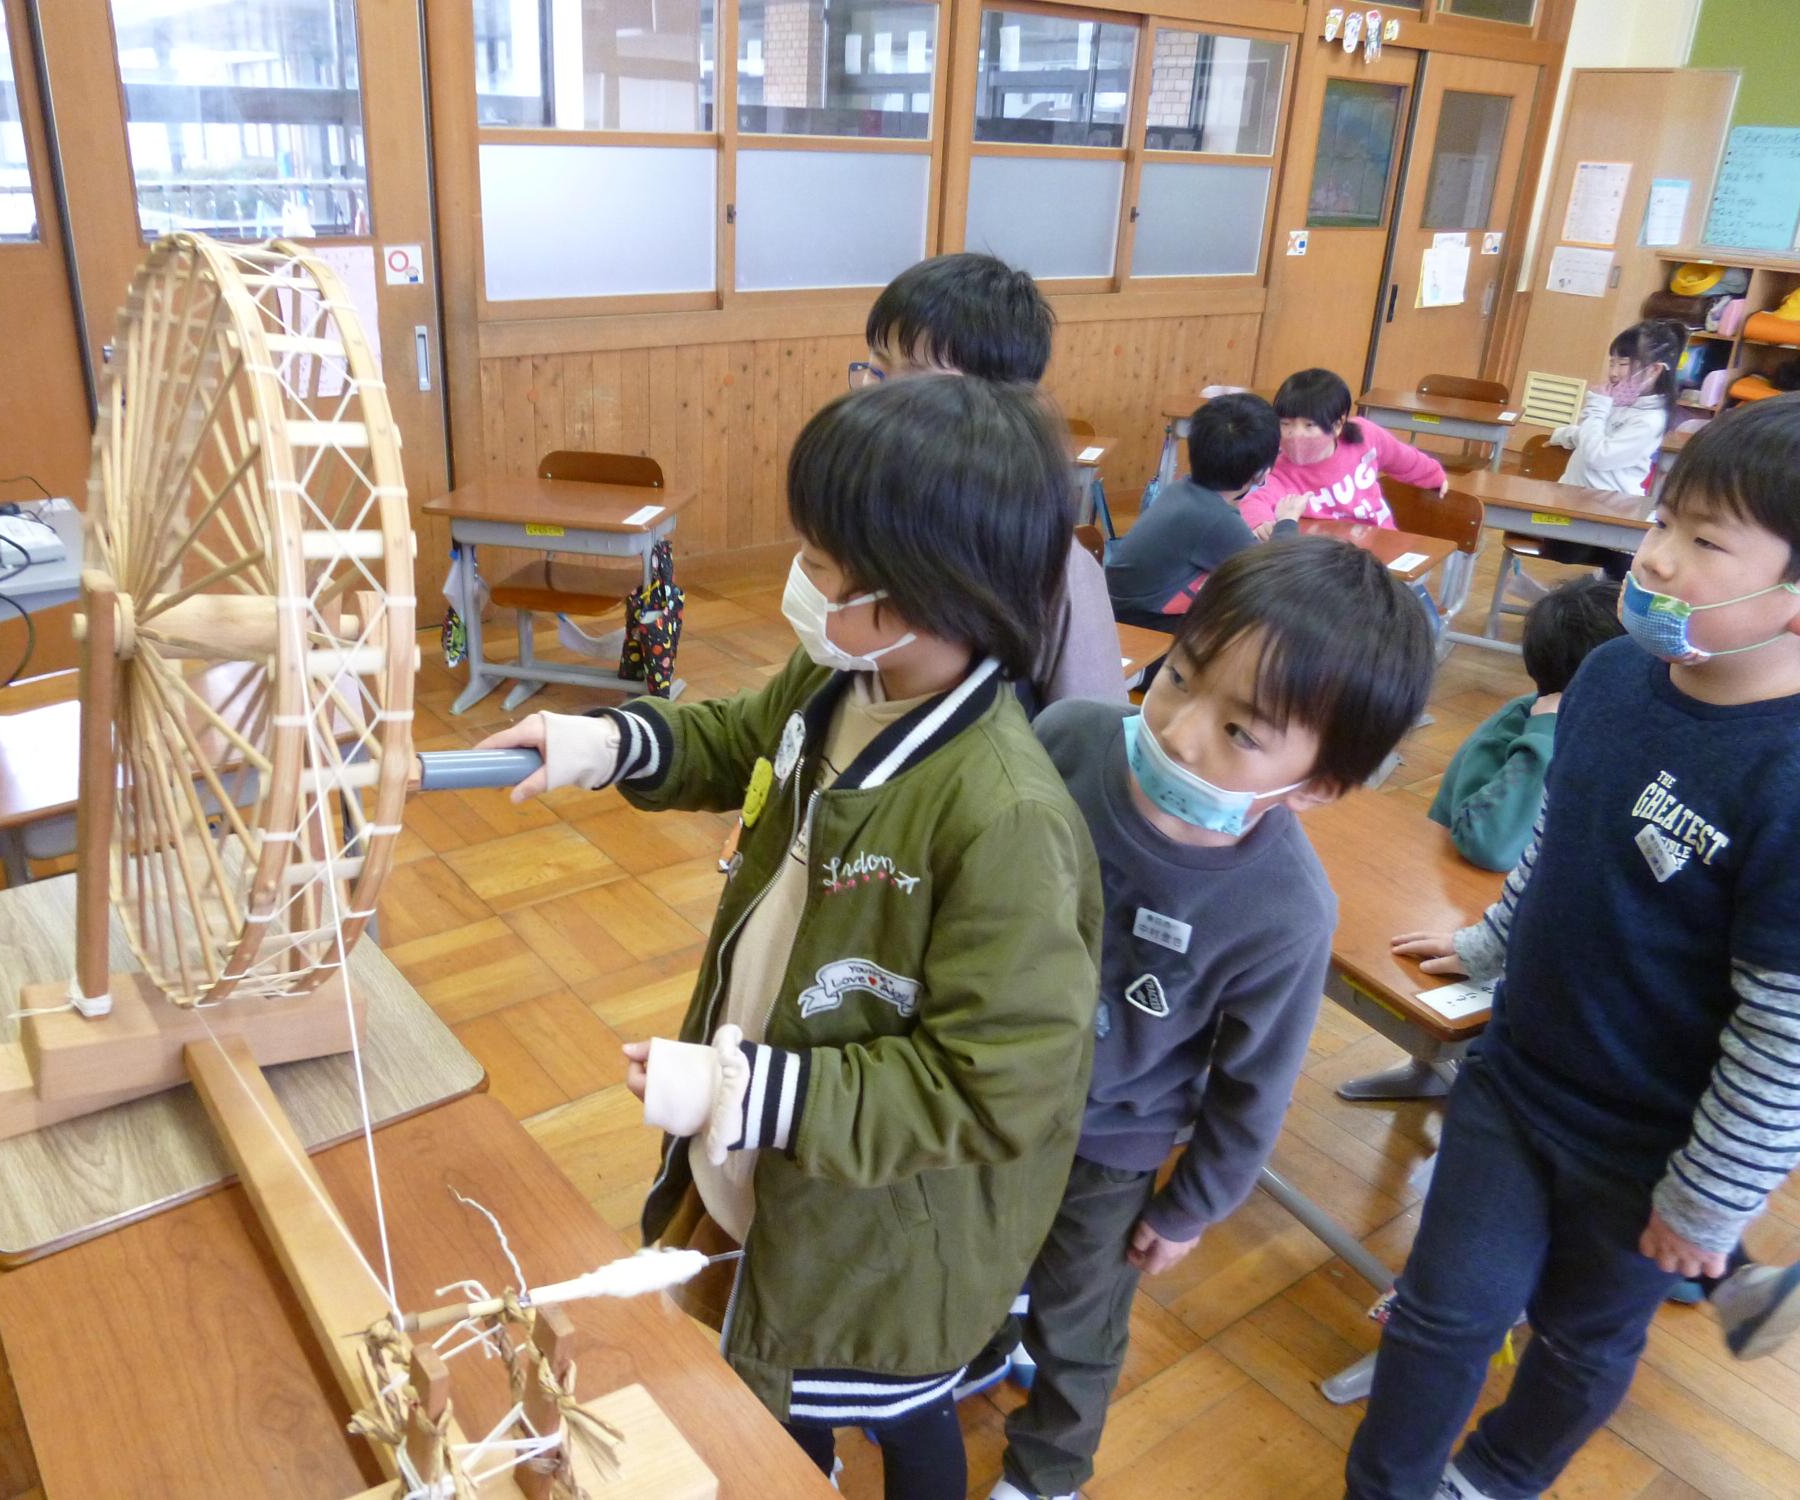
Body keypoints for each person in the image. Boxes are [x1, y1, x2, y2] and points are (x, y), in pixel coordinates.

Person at [479, 376, 1103, 1500]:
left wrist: (750, 1092)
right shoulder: (842, 673)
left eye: (822, 563)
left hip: (879, 1230)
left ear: (931, 590)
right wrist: (606, 745)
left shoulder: (1004, 815)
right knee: (769, 1392)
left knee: (870, 1410)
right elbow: (735, 740)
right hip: (772, 1157)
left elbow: (991, 1088)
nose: (798, 579)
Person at [1348, 396, 1800, 1500]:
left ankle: (1496, 1475)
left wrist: (1707, 1202)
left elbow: (1780, 1032)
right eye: (1661, 521)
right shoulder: (1605, 678)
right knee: (1438, 1312)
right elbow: (1559, 844)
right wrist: (1489, 944)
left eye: (1702, 542)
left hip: (1647, 1146)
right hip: (1514, 1082)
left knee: (1577, 1341)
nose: (1652, 558)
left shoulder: (1784, 776)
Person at [989, 536, 1437, 1500]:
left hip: (1113, 1141)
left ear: (1317, 784)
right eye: (1179, 677)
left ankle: (1050, 1468)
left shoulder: (1285, 909)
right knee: (978, 1241)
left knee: (1081, 1319)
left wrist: (1193, 1205)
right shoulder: (1071, 736)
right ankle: (986, 1340)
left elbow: (1255, 1084)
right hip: (989, 1082)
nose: (1182, 731)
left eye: (1243, 731)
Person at [855, 252, 1126, 708]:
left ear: (999, 407)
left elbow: (1093, 735)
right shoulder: (861, 509)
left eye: (917, 381)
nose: (878, 397)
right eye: (876, 367)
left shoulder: (1048, 560)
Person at [1427, 577, 1623, 871]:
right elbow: (1490, 846)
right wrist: (1548, 732)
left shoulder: (1623, 724)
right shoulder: (1511, 732)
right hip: (1466, 888)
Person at [1103, 391, 1297, 630]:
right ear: (1261, 473)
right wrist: (1287, 523)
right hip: (1140, 627)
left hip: (1118, 612)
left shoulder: (1183, 490)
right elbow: (1277, 578)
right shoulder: (1216, 519)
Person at [1534, 318, 1690, 582]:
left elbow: (1599, 456)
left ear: (1653, 370)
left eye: (1624, 363)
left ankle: (1601, 596)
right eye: (1612, 362)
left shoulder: (1650, 419)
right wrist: (1565, 435)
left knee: (1619, 573)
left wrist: (1597, 407)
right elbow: (1593, 435)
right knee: (1557, 545)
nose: (1614, 372)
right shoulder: (1621, 400)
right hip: (1575, 504)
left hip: (1611, 514)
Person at [1241, 368, 1448, 534]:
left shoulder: (1366, 436)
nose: (1295, 435)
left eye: (1309, 426)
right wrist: (1259, 523)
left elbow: (1404, 459)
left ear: (1337, 425)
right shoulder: (1279, 469)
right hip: (1329, 561)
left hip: (1381, 540)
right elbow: (1254, 500)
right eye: (1285, 424)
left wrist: (1434, 476)